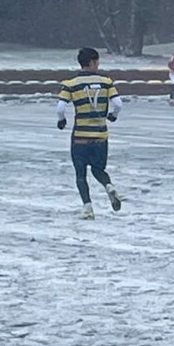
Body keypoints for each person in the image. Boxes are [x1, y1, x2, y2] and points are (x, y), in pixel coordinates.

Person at [57, 47, 123, 219]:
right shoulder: (106, 82)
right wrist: (112, 116)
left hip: (80, 137)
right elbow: (118, 104)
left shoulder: (71, 84)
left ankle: (88, 208)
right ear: (93, 62)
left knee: (81, 174)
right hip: (100, 136)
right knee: (99, 169)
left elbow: (61, 107)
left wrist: (61, 120)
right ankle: (108, 186)